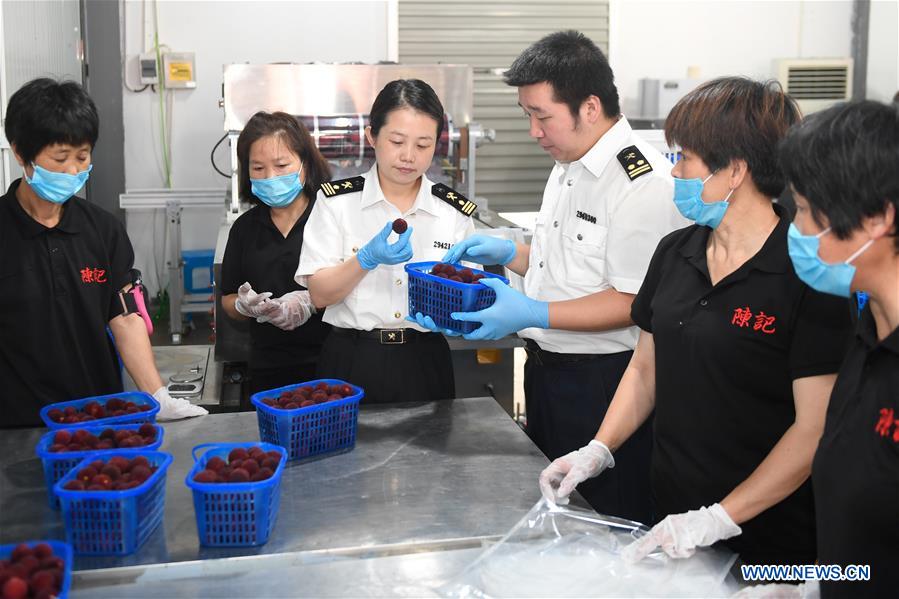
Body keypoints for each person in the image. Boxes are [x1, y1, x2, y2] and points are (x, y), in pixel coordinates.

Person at [539, 77, 853, 571]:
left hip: (771, 535)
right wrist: (599, 448)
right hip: (673, 519)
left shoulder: (808, 273)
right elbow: (645, 370)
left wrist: (720, 517)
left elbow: (812, 429)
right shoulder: (677, 252)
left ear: (734, 171)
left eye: (684, 158)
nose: (675, 170)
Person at [431, 31, 688, 523]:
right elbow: (567, 265)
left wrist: (533, 311)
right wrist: (513, 253)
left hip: (606, 386)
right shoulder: (569, 162)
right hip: (548, 374)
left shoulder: (641, 183)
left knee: (607, 521)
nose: (534, 131)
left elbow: (633, 301)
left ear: (590, 107)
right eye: (528, 115)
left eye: (542, 115)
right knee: (559, 521)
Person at [0, 78, 206, 427]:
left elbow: (125, 317)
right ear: (21, 153)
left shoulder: (102, 229)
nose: (73, 171)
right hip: (16, 425)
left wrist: (158, 395)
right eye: (60, 158)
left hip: (101, 415)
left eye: (82, 157)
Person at [778, 100, 897, 597]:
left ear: (875, 219)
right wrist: (806, 582)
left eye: (805, 211)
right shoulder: (867, 335)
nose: (796, 230)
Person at [295, 79, 476, 403]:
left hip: (426, 360)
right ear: (372, 136)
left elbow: (469, 300)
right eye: (397, 141)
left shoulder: (452, 212)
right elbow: (319, 295)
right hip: (350, 359)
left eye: (423, 145)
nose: (409, 156)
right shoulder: (336, 202)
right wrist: (364, 260)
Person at [220, 112, 332, 395]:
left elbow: (357, 280)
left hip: (331, 363)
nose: (270, 177)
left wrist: (312, 301)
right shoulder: (244, 229)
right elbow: (228, 299)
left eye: (282, 165)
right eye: (258, 168)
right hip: (268, 368)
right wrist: (246, 306)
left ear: (305, 164)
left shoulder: (331, 218)